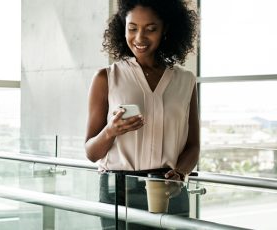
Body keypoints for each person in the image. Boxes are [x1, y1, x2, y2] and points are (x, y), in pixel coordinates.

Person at [85, 0, 199, 229]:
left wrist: (180, 173)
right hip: (118, 189)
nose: (139, 37)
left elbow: (193, 146)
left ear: (165, 28)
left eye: (150, 28)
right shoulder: (106, 78)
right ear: (123, 27)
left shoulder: (186, 81)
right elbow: (91, 152)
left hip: (169, 188)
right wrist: (110, 131)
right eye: (132, 28)